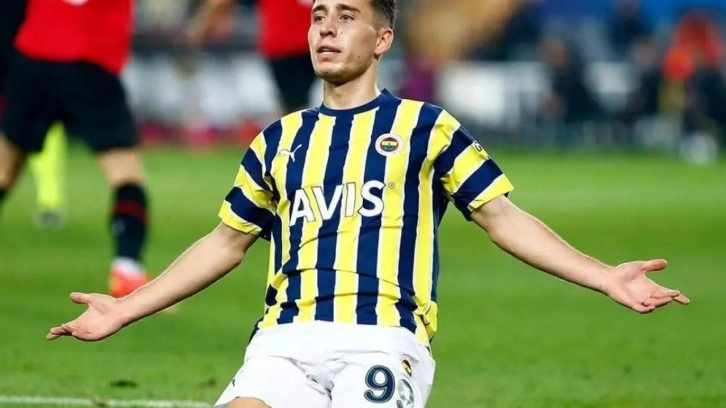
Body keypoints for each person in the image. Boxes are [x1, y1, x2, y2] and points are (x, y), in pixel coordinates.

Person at [47, 1, 690, 407]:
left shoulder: (426, 126)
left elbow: (504, 219)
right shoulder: (278, 140)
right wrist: (125, 309)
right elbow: (224, 244)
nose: (326, 28)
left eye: (346, 16)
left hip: (382, 343)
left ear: (382, 39)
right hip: (281, 343)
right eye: (318, 16)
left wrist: (605, 276)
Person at [0, 0, 152, 297]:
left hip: (34, 59)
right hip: (90, 65)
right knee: (126, 175)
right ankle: (127, 269)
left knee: (3, 172)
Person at [0, 0, 68, 229]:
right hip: (31, 53)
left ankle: (50, 200)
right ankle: (50, 201)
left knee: (39, 125)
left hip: (31, 53)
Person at [187, 0, 317, 114]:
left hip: (284, 44)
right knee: (309, 106)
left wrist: (201, 28)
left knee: (293, 109)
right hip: (317, 41)